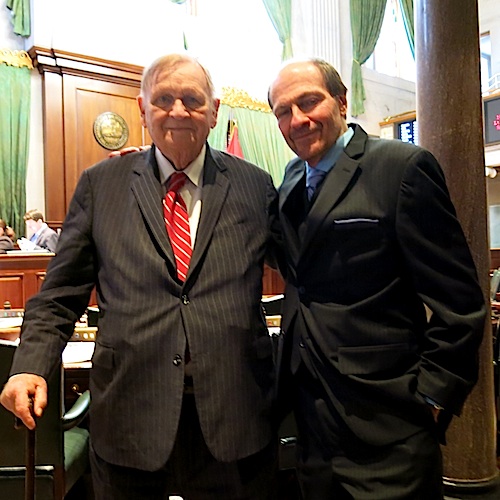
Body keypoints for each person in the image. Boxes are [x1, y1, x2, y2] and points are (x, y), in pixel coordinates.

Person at [1, 53, 281, 499]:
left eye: (191, 99)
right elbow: (59, 294)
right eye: (164, 99)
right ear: (143, 109)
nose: (177, 111)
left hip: (235, 416)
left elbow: (306, 272)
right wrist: (30, 366)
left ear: (213, 112)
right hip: (130, 413)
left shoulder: (256, 185)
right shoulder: (101, 185)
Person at [267, 58, 487, 499]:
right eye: (283, 112)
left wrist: (430, 397)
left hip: (391, 426)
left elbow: (460, 302)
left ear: (342, 100)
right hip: (312, 426)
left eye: (309, 102)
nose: (297, 120)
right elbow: (285, 255)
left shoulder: (402, 168)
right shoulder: (292, 178)